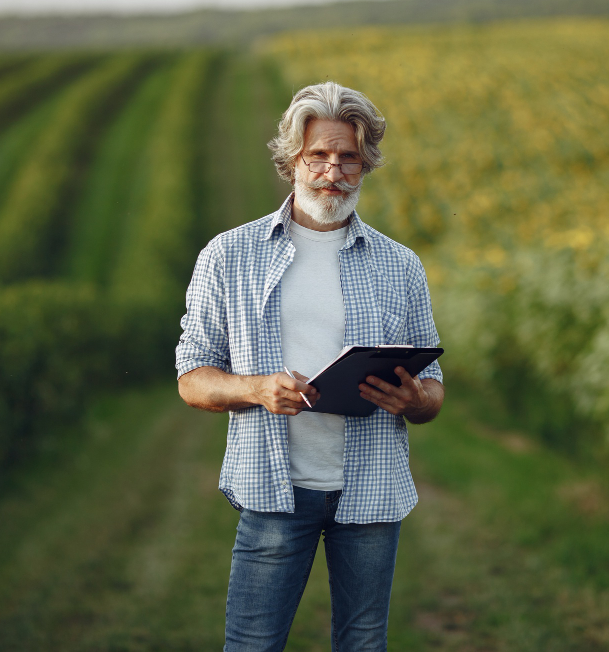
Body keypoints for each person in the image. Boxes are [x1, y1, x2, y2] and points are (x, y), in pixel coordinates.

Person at [175, 81, 444, 651]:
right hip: (273, 490)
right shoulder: (229, 255)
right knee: (252, 644)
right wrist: (256, 388)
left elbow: (435, 390)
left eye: (349, 157)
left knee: (363, 644)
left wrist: (414, 400)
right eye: (317, 155)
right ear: (291, 161)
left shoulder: (402, 265)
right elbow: (192, 377)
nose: (333, 170)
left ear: (367, 164)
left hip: (371, 490)